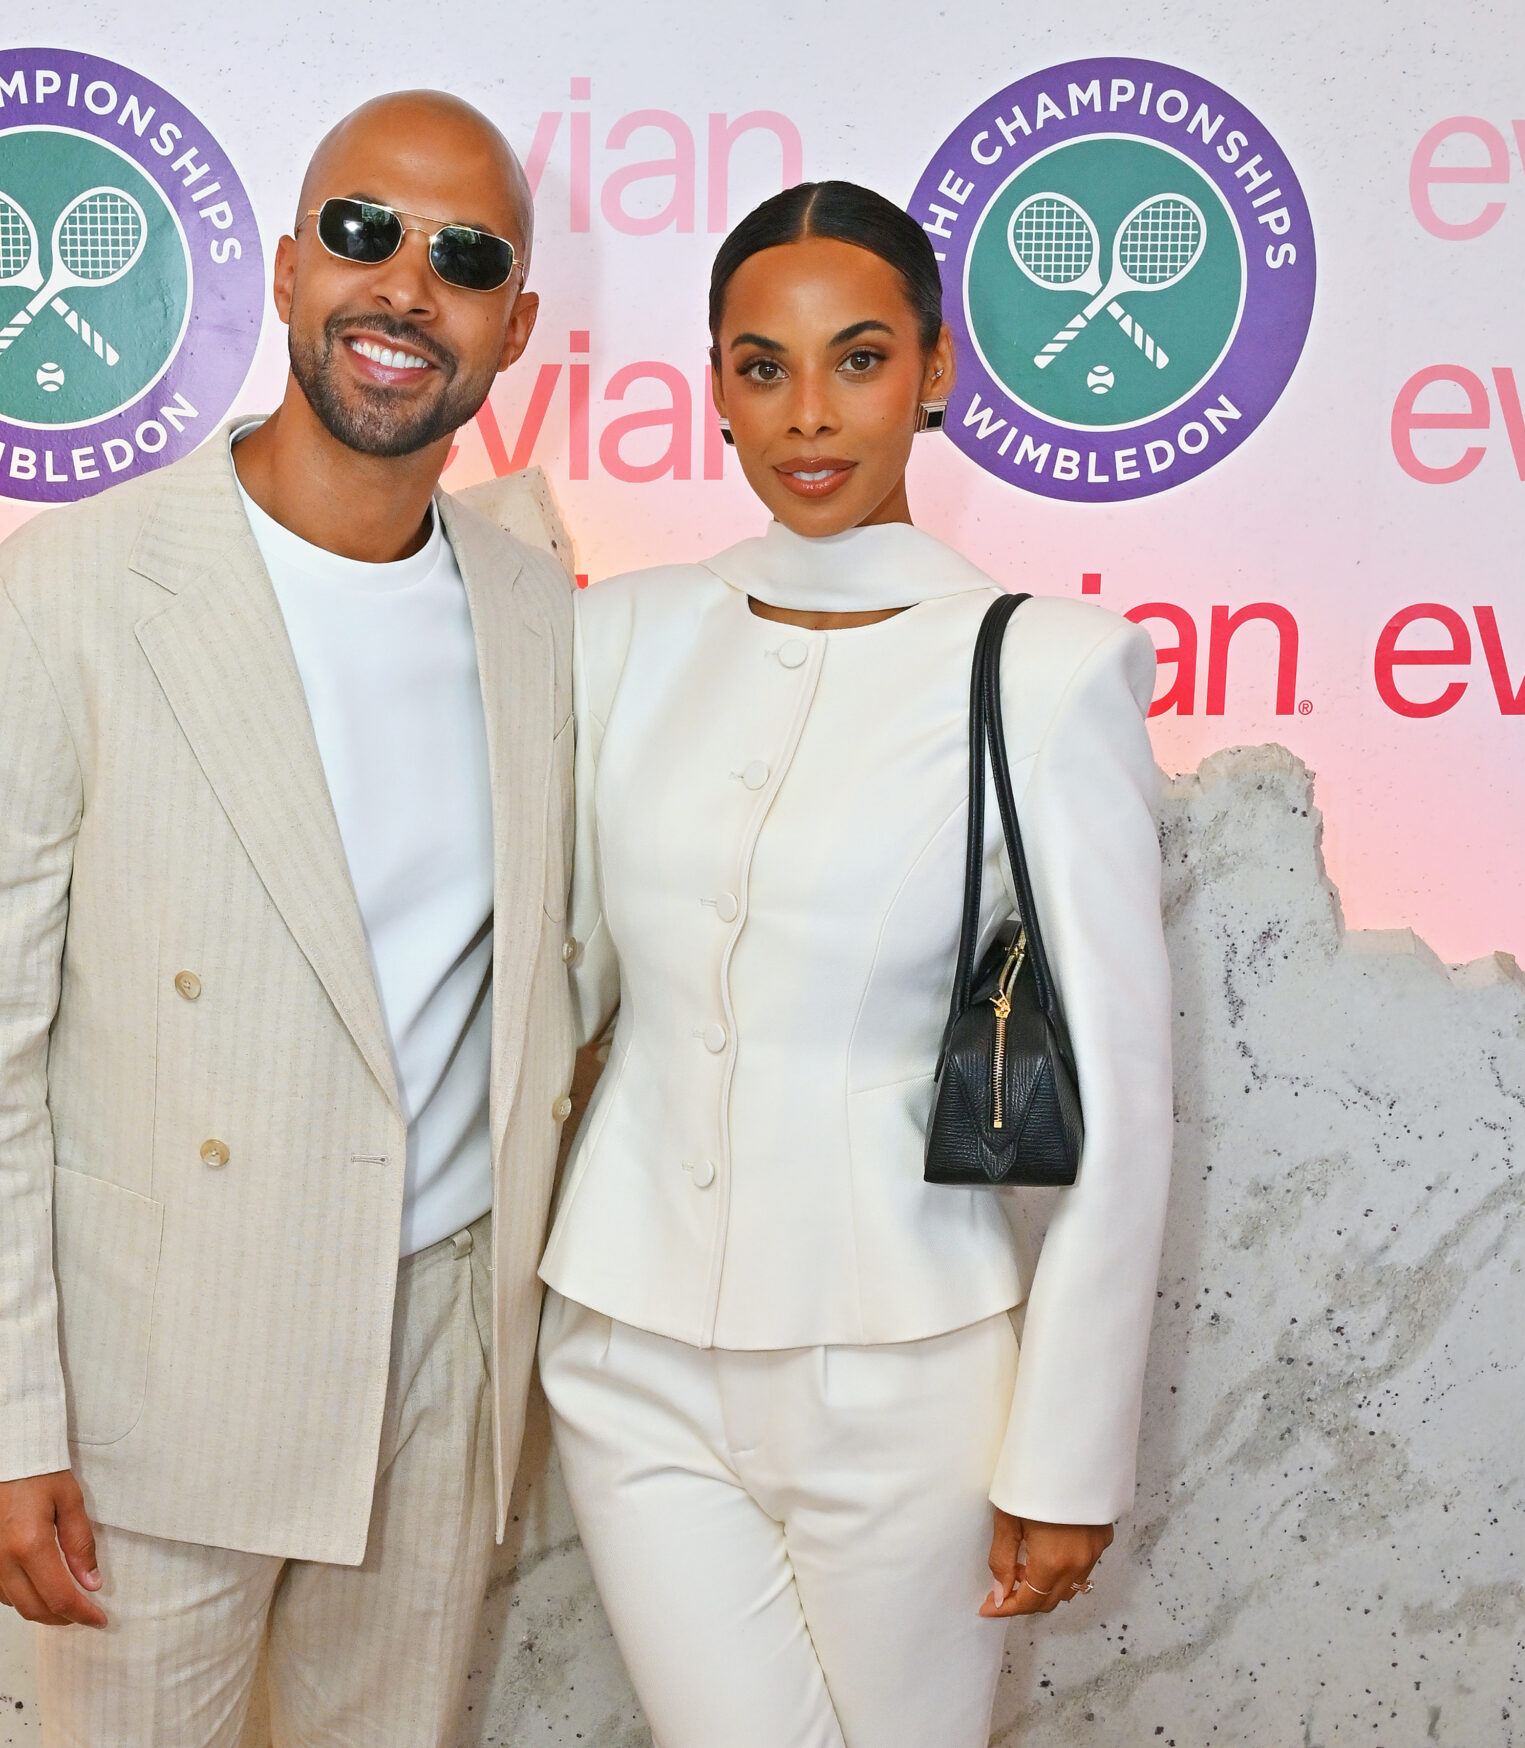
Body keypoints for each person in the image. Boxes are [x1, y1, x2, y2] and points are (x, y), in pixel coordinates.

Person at [0, 91, 580, 1748]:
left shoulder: (542, 611)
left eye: (464, 259)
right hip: (157, 1379)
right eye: (362, 232)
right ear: (278, 267)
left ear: (515, 327)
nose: (405, 286)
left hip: (437, 1370)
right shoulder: (61, 600)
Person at [539, 180, 1173, 1747]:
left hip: (906, 1376)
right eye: (762, 367)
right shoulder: (618, 635)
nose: (808, 415)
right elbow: (550, 987)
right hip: (626, 1353)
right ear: (715, 389)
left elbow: (1123, 1089)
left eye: (860, 359)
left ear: (938, 374)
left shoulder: (1046, 665)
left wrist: (1065, 1453)